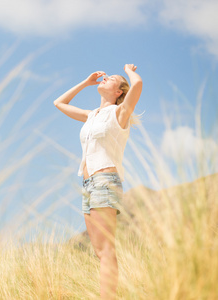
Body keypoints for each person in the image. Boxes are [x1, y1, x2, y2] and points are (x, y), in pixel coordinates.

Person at [53, 64, 142, 299]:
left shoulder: (119, 113)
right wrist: (85, 82)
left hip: (105, 180)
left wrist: (128, 70)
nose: (105, 78)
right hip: (88, 185)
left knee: (106, 249)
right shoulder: (91, 115)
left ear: (118, 92)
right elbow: (59, 103)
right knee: (99, 251)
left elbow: (138, 85)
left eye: (111, 79)